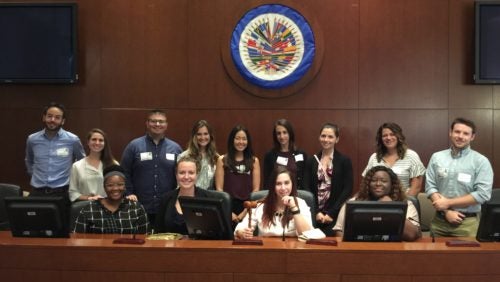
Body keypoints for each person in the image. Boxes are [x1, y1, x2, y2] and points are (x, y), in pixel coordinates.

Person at [425, 117, 493, 237]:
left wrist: (448, 203)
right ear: (450, 133)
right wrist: (446, 211)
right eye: (457, 132)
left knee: (466, 256)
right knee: (435, 256)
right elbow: (430, 187)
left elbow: (482, 194)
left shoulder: (481, 161)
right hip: (439, 222)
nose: (460, 136)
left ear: (472, 137)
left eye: (466, 133)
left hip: (467, 224)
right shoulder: (437, 157)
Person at [121, 109, 182, 225]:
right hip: (138, 206)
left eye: (161, 121)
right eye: (153, 121)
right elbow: (124, 172)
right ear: (147, 123)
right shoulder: (134, 146)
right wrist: (128, 193)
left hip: (167, 207)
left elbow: (181, 175)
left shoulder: (176, 149)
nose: (157, 124)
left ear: (166, 125)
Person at [333, 166, 421, 241]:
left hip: (394, 252)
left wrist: (390, 207)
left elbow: (412, 234)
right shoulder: (353, 203)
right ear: (368, 184)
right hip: (360, 250)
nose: (378, 184)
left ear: (392, 185)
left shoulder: (406, 204)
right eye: (374, 180)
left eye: (384, 181)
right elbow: (339, 231)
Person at [25, 102, 85, 202]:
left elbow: (82, 162)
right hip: (37, 192)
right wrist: (34, 175)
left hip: (62, 193)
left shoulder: (73, 140)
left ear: (63, 121)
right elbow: (29, 160)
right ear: (44, 118)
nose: (52, 120)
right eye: (49, 116)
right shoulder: (32, 139)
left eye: (57, 117)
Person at [303, 122, 353, 236]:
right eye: (323, 136)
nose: (326, 139)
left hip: (334, 215)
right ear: (319, 137)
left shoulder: (344, 161)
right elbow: (306, 188)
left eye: (330, 136)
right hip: (314, 213)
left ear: (337, 139)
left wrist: (332, 213)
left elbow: (347, 189)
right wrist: (315, 212)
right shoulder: (311, 160)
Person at [234, 167, 313, 238]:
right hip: (266, 251)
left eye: (286, 183)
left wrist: (294, 208)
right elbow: (240, 229)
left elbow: (307, 234)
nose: (283, 188)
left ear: (292, 184)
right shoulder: (260, 205)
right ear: (272, 186)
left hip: (294, 251)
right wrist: (241, 233)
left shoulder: (301, 204)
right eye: (278, 184)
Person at [73, 165, 149, 234]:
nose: (115, 189)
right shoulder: (89, 209)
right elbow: (77, 240)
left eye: (120, 184)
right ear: (104, 187)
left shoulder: (136, 208)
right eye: (110, 185)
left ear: (125, 186)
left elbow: (145, 239)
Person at [362, 122, 426, 197]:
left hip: (403, 202)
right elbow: (366, 183)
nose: (388, 138)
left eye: (392, 134)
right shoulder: (374, 157)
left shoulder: (411, 156)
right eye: (384, 135)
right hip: (377, 203)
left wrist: (403, 204)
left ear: (399, 136)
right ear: (381, 139)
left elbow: (416, 187)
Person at [215, 125, 260, 225]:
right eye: (237, 138)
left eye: (244, 139)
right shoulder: (222, 160)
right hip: (227, 207)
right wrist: (229, 212)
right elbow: (219, 190)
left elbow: (256, 191)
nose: (241, 142)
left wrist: (245, 212)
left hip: (247, 207)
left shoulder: (254, 161)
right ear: (232, 140)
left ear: (248, 141)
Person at [155, 156, 212, 234]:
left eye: (191, 173)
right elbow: (158, 232)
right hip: (170, 245)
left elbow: (214, 234)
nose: (186, 177)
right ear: (176, 175)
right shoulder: (166, 199)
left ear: (197, 175)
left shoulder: (208, 199)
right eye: (182, 173)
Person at [69, 128, 118, 202]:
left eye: (101, 140)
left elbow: (118, 188)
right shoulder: (77, 166)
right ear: (88, 142)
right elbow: (72, 193)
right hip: (86, 208)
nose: (97, 143)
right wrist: (89, 198)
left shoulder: (113, 164)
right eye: (94, 139)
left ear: (105, 144)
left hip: (109, 206)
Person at [263, 119, 307, 190]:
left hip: (297, 195)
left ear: (290, 133)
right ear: (275, 136)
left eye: (285, 132)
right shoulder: (269, 156)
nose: (282, 136)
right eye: (278, 133)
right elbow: (267, 182)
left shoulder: (301, 154)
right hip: (277, 195)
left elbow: (305, 180)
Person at [178, 120, 219, 190]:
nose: (203, 137)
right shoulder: (184, 156)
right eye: (199, 134)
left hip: (209, 198)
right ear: (194, 136)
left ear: (210, 136)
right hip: (189, 197)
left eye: (206, 134)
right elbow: (179, 183)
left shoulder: (216, 158)